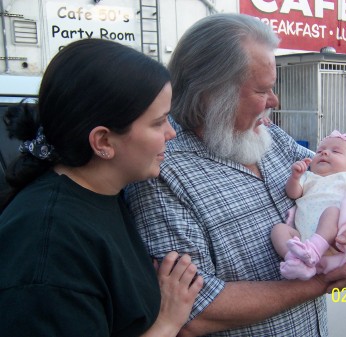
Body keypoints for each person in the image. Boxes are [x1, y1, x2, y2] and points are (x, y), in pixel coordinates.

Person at [125, 13, 346, 336]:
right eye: (262, 91)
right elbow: (195, 312)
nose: (275, 100)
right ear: (213, 95)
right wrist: (323, 280)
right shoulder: (162, 173)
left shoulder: (269, 137)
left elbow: (338, 183)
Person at [0, 38, 203, 337]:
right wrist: (167, 322)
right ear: (103, 142)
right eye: (158, 122)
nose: (171, 133)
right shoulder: (50, 247)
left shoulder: (103, 193)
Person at [271, 130, 346, 280]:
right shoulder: (309, 177)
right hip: (303, 238)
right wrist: (295, 177)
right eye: (320, 151)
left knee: (332, 212)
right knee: (278, 230)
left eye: (335, 151)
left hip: (333, 239)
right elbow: (293, 193)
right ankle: (296, 261)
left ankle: (314, 251)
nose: (324, 153)